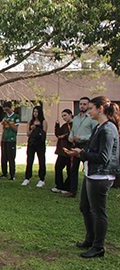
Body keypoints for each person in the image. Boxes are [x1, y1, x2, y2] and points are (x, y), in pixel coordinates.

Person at [66, 96, 120, 258]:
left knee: (98, 212)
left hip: (101, 176)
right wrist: (80, 154)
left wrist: (82, 153)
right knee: (84, 206)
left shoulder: (108, 129)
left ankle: (98, 247)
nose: (88, 111)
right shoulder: (99, 127)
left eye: (91, 108)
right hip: (91, 173)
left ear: (100, 109)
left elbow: (104, 157)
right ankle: (90, 239)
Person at [63, 97, 98, 198]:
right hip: (75, 145)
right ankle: (72, 191)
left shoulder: (91, 118)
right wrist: (70, 137)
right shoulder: (77, 118)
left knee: (88, 169)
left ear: (88, 106)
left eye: (84, 104)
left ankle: (89, 192)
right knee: (73, 169)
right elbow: (73, 130)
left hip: (86, 146)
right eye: (81, 104)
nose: (82, 106)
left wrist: (81, 137)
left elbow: (94, 134)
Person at [22, 106, 48, 187]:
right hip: (31, 143)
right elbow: (28, 134)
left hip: (40, 144)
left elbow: (44, 133)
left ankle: (42, 179)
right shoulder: (30, 122)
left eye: (37, 112)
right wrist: (32, 129)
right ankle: (27, 178)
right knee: (29, 160)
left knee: (41, 160)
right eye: (34, 112)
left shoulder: (43, 122)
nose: (35, 113)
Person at [52, 109, 74, 193]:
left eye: (65, 115)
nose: (64, 118)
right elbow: (58, 134)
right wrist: (57, 125)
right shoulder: (64, 126)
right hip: (62, 151)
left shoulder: (74, 125)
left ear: (70, 114)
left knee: (70, 170)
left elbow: (71, 135)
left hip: (70, 151)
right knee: (58, 167)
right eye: (62, 116)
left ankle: (67, 187)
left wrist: (64, 137)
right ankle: (59, 186)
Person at [0, 101, 19, 181]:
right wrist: (3, 123)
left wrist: (9, 123)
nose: (6, 111)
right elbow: (3, 126)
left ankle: (12, 175)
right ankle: (4, 173)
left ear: (10, 108)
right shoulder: (5, 116)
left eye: (7, 110)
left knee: (11, 157)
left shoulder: (16, 116)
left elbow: (15, 129)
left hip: (11, 139)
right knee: (3, 157)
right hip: (4, 139)